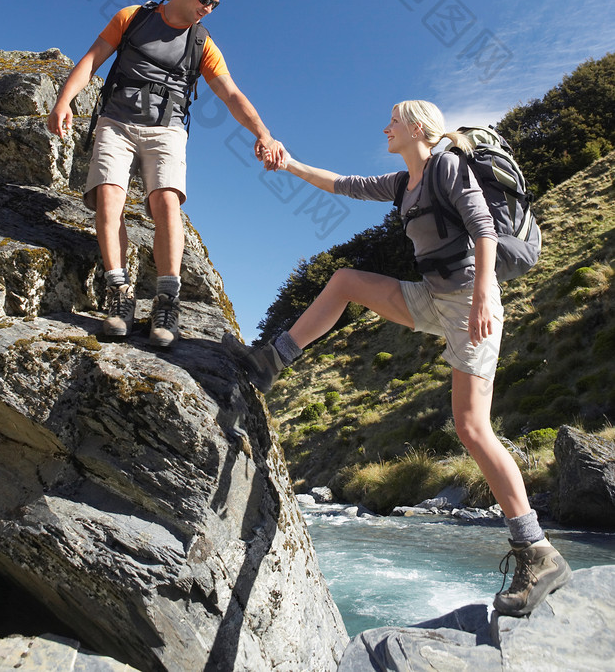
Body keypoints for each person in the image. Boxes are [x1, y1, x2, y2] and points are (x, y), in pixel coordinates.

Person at [228, 100, 571, 618]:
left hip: (471, 305)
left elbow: (481, 225)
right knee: (346, 281)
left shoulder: (446, 166)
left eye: (393, 120)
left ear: (417, 127)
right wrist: (290, 163)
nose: (385, 127)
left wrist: (482, 295)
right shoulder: (403, 182)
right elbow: (343, 184)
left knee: (472, 428)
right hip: (433, 298)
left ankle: (537, 552)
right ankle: (272, 361)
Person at [48, 0, 284, 345]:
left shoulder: (202, 44)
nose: (208, 8)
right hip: (117, 121)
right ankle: (119, 293)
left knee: (166, 203)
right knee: (109, 198)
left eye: (215, 4)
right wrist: (64, 100)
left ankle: (167, 302)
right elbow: (93, 59)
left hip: (167, 130)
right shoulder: (132, 18)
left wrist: (263, 133)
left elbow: (231, 95)